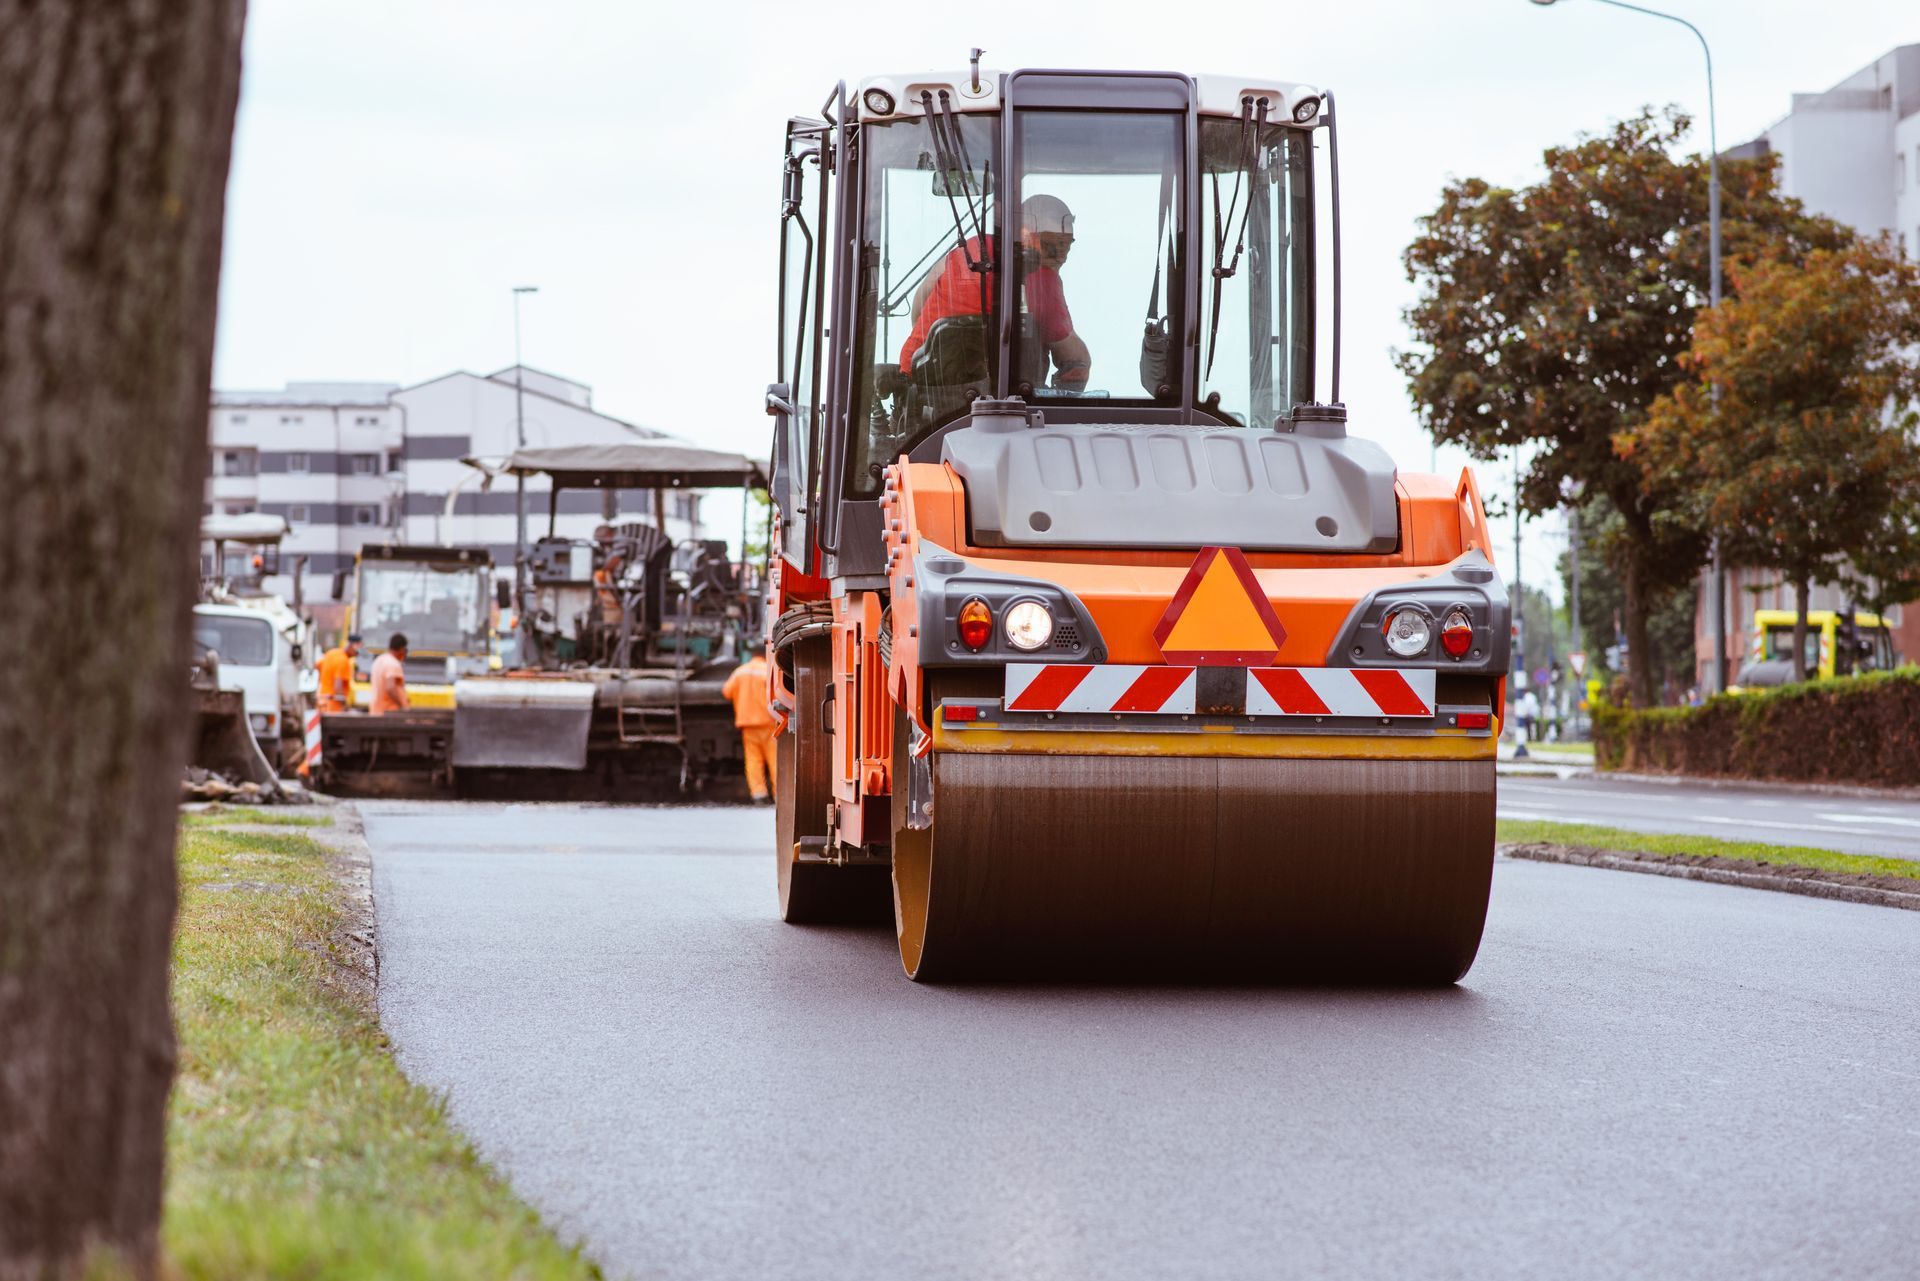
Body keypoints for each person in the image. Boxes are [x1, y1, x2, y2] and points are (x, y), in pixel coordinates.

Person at [897, 193, 1091, 390]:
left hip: (918, 388)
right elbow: (1075, 359)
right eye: (1053, 245)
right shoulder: (1043, 282)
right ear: (1025, 233)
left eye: (1067, 245)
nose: (1061, 256)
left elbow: (920, 302)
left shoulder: (968, 250)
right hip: (1003, 399)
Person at [721, 651, 778, 804]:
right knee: (774, 759)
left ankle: (759, 794)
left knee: (753, 760)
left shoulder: (740, 672)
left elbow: (726, 692)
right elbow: (778, 693)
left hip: (747, 724)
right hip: (768, 723)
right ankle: (778, 794)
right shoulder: (767, 671)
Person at [315, 632, 361, 714]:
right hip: (333, 705)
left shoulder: (332, 653)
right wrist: (345, 705)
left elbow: (318, 666)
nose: (357, 654)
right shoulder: (343, 660)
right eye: (357, 650)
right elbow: (338, 687)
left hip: (322, 701)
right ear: (351, 646)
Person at [369, 633, 410, 716]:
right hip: (390, 712)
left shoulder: (379, 660)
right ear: (402, 649)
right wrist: (402, 705)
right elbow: (390, 688)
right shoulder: (393, 664)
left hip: (376, 711)